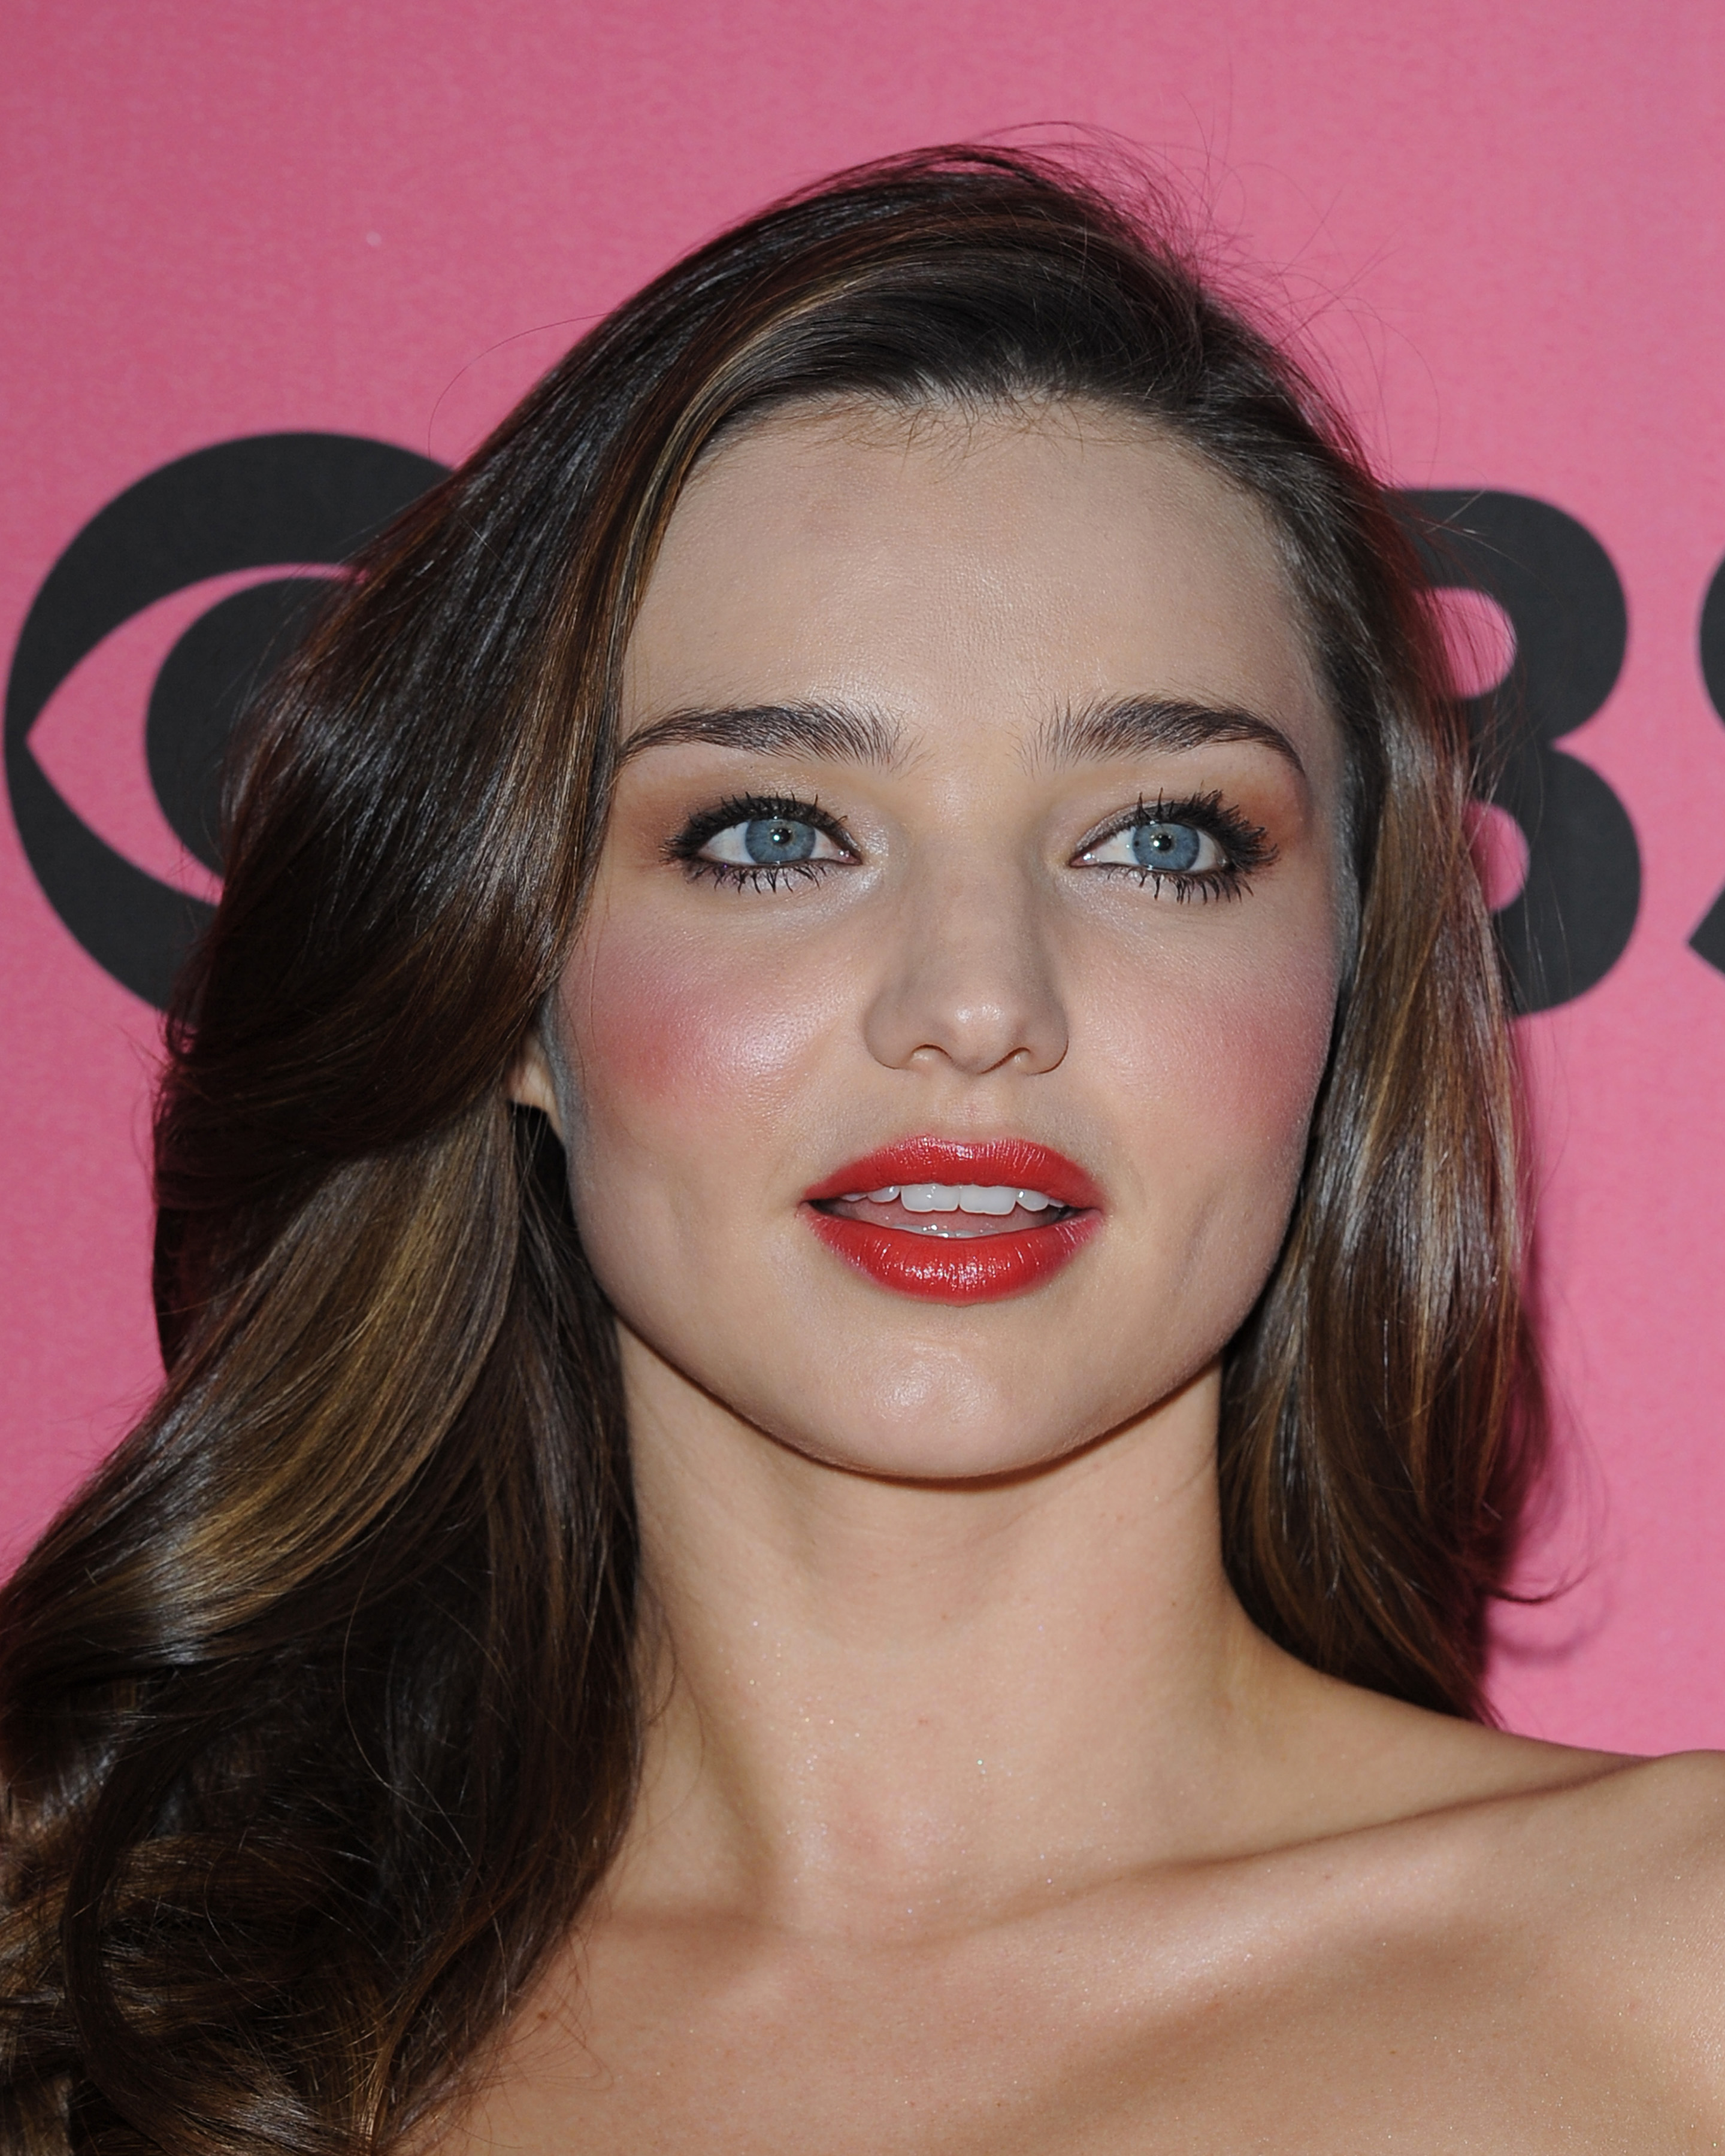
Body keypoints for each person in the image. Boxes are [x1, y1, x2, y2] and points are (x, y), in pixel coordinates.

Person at [2, 144, 1721, 2155]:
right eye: (771, 835)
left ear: (1344, 977)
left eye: (1162, 840)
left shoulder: (1675, 1978)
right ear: (512, 986)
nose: (979, 1001)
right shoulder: (103, 2021)